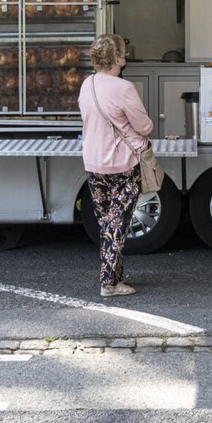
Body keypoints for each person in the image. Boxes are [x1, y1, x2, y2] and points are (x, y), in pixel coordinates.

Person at [78, 33, 154, 297]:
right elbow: (144, 126)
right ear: (119, 58)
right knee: (117, 225)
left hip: (93, 162)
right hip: (122, 164)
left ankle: (116, 276)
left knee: (107, 224)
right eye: (124, 52)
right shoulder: (124, 88)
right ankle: (109, 283)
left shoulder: (87, 84)